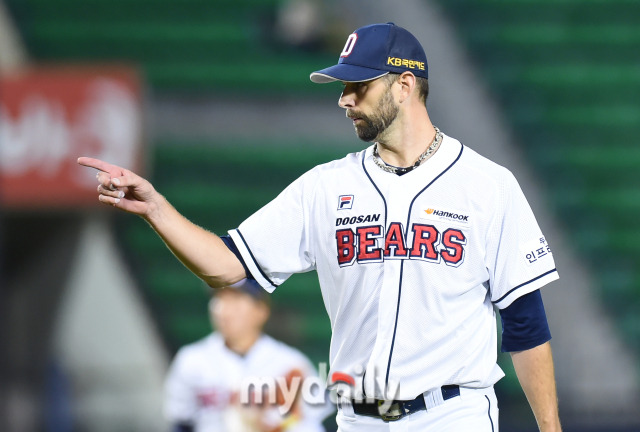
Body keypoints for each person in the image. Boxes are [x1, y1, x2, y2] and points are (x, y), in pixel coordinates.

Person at [79, 22, 562, 431]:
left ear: (404, 86)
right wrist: (158, 210)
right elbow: (226, 266)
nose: (344, 99)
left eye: (359, 86)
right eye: (342, 86)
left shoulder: (487, 185)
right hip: (357, 418)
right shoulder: (326, 188)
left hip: (452, 414)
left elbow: (525, 322)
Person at [164, 278, 331, 432]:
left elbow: (312, 423)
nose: (223, 311)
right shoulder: (191, 360)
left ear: (261, 310)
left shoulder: (292, 364)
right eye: (219, 299)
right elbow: (181, 423)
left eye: (235, 300)